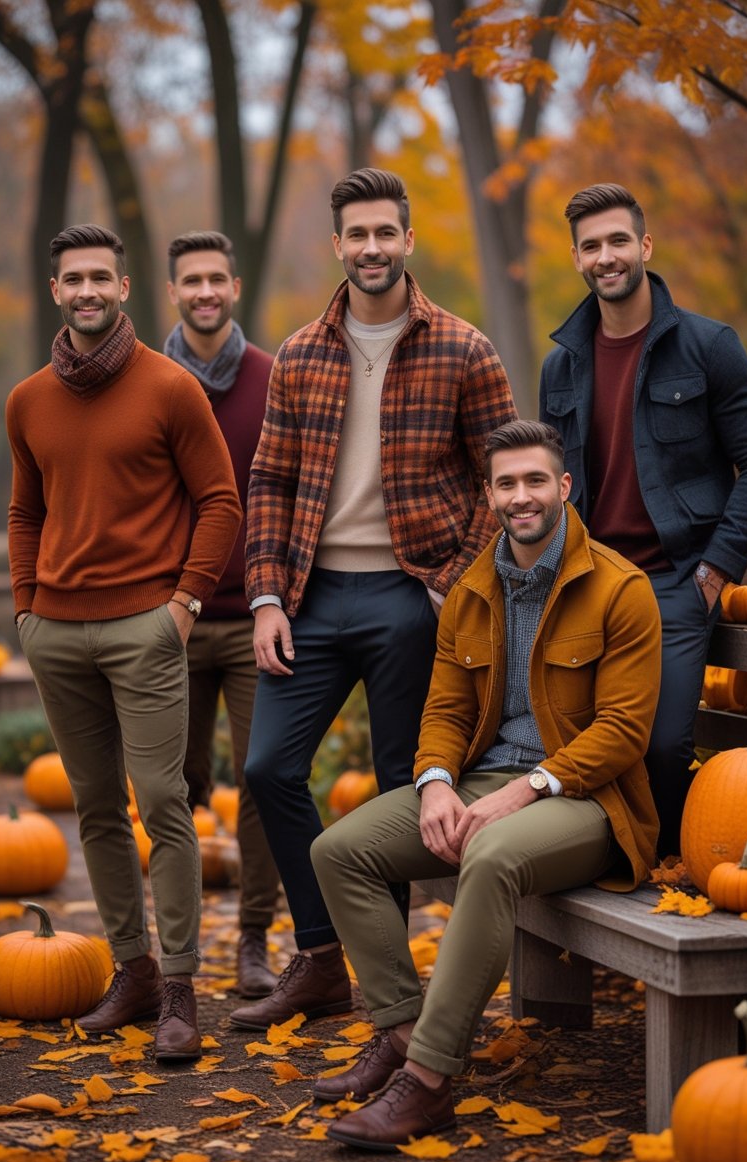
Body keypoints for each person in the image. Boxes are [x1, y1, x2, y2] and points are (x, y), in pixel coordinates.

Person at [308, 419, 662, 1149]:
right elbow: (443, 709)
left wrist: (525, 789)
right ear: (489, 493)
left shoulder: (620, 590)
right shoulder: (471, 591)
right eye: (506, 483)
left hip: (586, 802)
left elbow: (622, 732)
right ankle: (405, 1034)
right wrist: (437, 783)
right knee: (340, 850)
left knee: (491, 855)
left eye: (535, 480)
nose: (521, 496)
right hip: (484, 783)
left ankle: (430, 1085)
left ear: (563, 487)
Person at [231, 167, 517, 1032]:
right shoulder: (302, 355)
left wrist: (449, 584)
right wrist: (267, 596)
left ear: (408, 239)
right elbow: (270, 479)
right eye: (356, 234)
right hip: (312, 599)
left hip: (410, 596)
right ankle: (320, 959)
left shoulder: (464, 349)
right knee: (267, 768)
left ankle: (391, 1001)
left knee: (399, 788)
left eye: (384, 232)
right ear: (338, 246)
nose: (371, 248)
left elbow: (496, 483)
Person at [6, 224, 242, 1061]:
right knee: (97, 809)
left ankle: (180, 988)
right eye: (73, 278)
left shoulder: (172, 388)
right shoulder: (28, 399)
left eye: (100, 276)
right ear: (58, 289)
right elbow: (26, 510)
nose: (87, 291)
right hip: (56, 632)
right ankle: (133, 973)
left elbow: (221, 502)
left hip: (147, 627)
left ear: (125, 286)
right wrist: (27, 608)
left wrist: (181, 606)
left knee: (163, 802)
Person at [539, 183, 747, 856]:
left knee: (662, 745)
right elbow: (554, 483)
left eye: (618, 240)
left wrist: (714, 571)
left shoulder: (708, 346)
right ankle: (602, 873)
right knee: (573, 743)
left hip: (677, 581)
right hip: (588, 584)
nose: (606, 256)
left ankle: (669, 869)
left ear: (645, 246)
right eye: (591, 246)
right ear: (576, 259)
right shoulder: (560, 364)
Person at [165, 230, 281, 1000]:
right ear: (172, 290)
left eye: (217, 278)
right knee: (170, 787)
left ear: (234, 287)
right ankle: (172, 955)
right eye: (191, 281)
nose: (205, 291)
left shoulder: (273, 379)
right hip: (164, 620)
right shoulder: (143, 380)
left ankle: (250, 941)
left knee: (263, 781)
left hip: (250, 620)